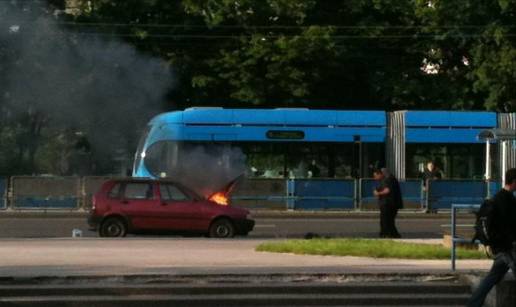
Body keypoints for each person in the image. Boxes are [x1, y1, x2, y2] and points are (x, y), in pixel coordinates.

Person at [467, 168, 516, 307]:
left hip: (500, 247)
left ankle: (473, 304)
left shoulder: (499, 197)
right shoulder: (507, 200)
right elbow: (509, 224)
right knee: (492, 277)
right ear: (513, 181)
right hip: (507, 248)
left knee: (492, 277)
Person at [373, 168, 403, 238]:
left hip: (388, 203)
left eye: (376, 176)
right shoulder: (389, 180)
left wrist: (378, 193)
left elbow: (387, 190)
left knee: (386, 220)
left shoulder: (388, 180)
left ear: (381, 174)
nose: (375, 178)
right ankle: (393, 234)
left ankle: (386, 234)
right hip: (390, 203)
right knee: (389, 220)